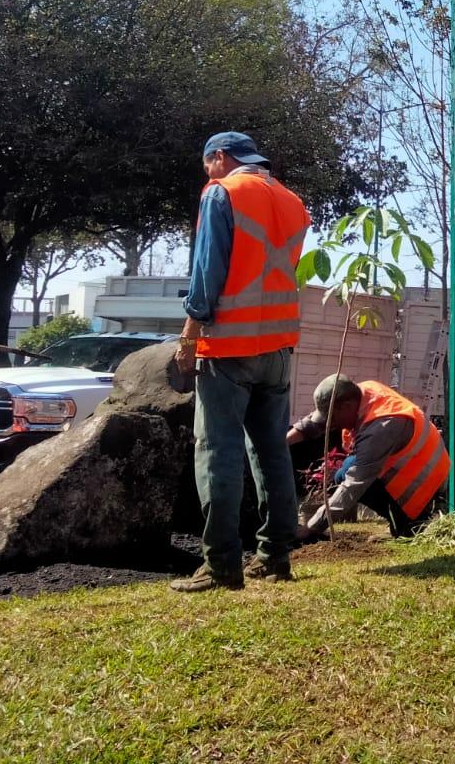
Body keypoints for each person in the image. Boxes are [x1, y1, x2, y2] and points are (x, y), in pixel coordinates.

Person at [170, 132, 310, 593]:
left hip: (227, 347)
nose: (206, 173)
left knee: (217, 452)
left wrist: (191, 333)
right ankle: (274, 556)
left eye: (207, 164)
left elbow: (207, 272)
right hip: (277, 349)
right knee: (271, 452)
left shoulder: (222, 193)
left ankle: (221, 566)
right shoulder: (292, 201)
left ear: (220, 158)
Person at [288, 375, 448, 541]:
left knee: (349, 473)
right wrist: (285, 441)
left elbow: (354, 484)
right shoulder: (361, 392)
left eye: (333, 418)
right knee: (345, 470)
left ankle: (411, 525)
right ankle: (402, 522)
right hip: (414, 464)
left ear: (347, 406)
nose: (330, 424)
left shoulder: (380, 427)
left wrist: (311, 527)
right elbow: (318, 421)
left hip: (426, 480)